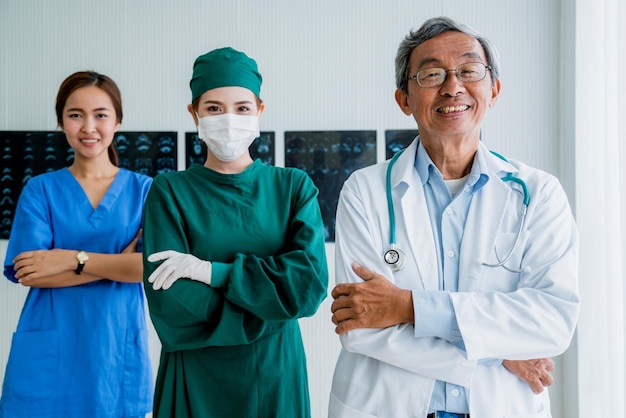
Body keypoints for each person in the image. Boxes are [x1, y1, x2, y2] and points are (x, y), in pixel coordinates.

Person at [329, 17, 579, 418]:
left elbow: (552, 322)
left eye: (469, 70)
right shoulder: (365, 191)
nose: (452, 86)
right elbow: (362, 327)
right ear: (404, 99)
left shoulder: (539, 194)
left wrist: (409, 307)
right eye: (430, 74)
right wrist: (498, 355)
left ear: (493, 89)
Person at [142, 47, 328, 418]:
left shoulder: (292, 187)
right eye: (213, 108)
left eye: (242, 108)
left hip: (275, 375)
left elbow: (307, 287)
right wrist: (270, 308)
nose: (228, 118)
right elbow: (171, 303)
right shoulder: (170, 191)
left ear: (260, 111)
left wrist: (212, 272)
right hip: (195, 377)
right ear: (193, 113)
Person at [0, 71, 153, 417]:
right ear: (61, 122)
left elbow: (148, 268)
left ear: (117, 121)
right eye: (75, 115)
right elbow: (30, 272)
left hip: (114, 351)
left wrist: (70, 258)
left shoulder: (145, 192)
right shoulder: (40, 191)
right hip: (50, 351)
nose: (89, 127)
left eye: (100, 114)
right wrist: (118, 264)